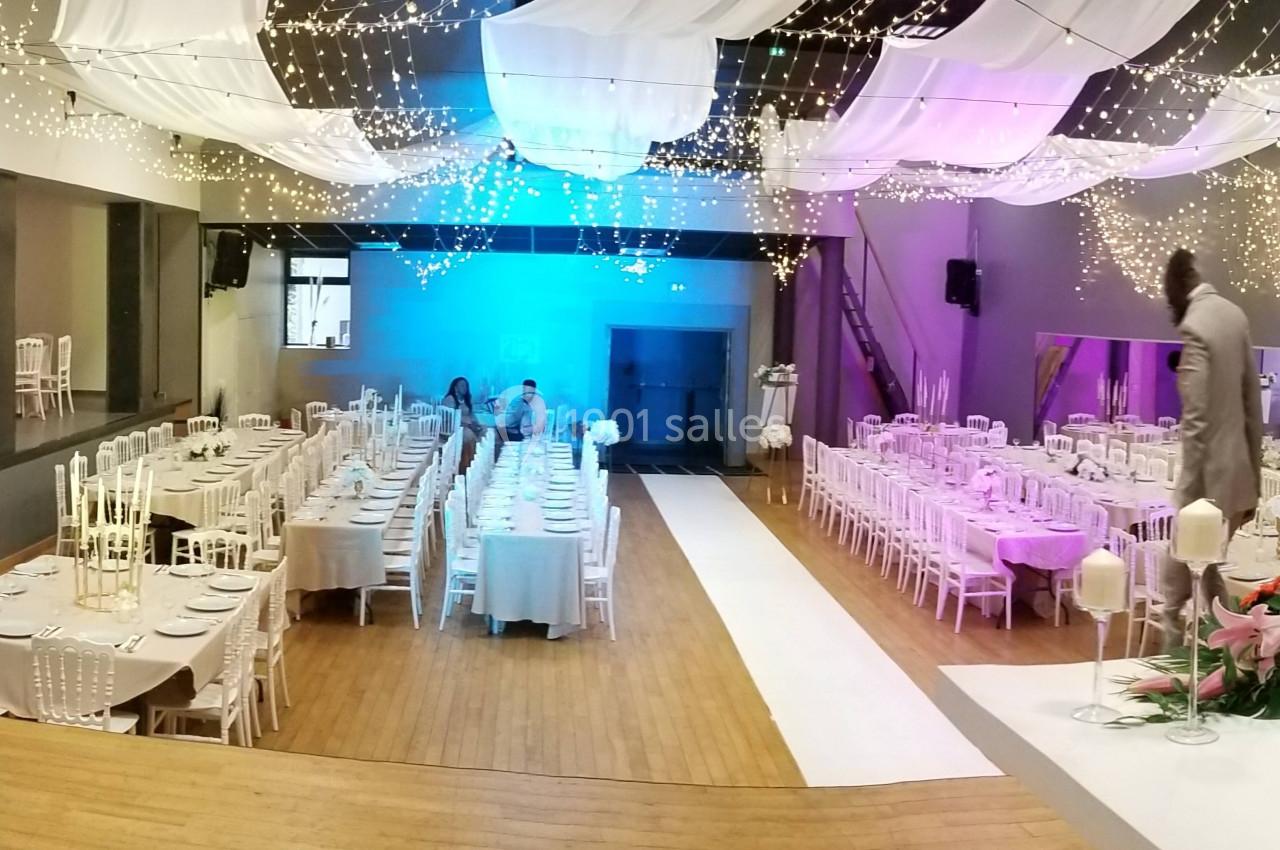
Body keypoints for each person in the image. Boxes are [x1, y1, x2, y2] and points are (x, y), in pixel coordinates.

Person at [1160, 248, 1263, 645]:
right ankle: (1233, 647)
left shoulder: (1195, 325)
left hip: (1208, 485)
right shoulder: (1234, 315)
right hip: (1237, 478)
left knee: (1176, 586)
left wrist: (1187, 493)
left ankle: (1168, 657)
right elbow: (1252, 404)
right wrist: (1252, 480)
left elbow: (1197, 419)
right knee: (1209, 570)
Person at [442, 376, 483, 462]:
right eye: (462, 385)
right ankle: (467, 462)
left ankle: (479, 461)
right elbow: (451, 418)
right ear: (455, 388)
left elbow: (472, 414)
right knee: (469, 435)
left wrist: (477, 424)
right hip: (455, 427)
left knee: (485, 430)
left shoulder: (466, 400)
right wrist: (469, 425)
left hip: (468, 425)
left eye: (466, 386)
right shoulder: (449, 399)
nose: (465, 388)